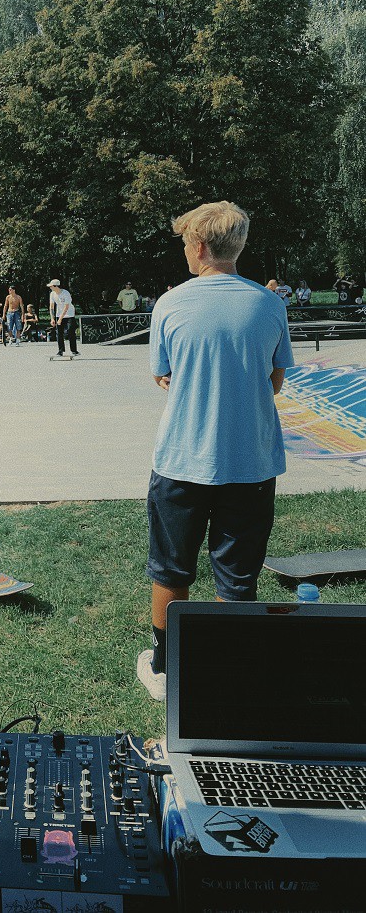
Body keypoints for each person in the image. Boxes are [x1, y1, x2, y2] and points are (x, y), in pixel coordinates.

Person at [136, 201, 293, 703]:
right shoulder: (269, 305)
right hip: (250, 462)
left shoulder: (170, 304)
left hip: (181, 459)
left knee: (171, 569)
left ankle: (165, 669)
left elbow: (163, 374)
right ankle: (229, 669)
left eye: (186, 244)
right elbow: (275, 380)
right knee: (237, 576)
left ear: (200, 247)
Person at [48, 279, 78, 359]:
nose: (50, 287)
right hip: (59, 314)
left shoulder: (65, 293)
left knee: (70, 331)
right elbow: (51, 307)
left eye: (51, 286)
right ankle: (61, 350)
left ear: (55, 286)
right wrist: (52, 318)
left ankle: (74, 350)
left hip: (69, 314)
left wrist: (60, 319)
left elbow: (66, 307)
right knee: (59, 333)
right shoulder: (52, 294)